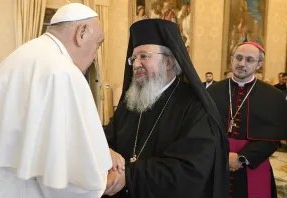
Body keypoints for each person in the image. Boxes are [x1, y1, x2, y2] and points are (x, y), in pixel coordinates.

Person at [0, 3, 114, 198]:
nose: (94, 57)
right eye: (98, 44)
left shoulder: (23, 55)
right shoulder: (62, 71)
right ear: (81, 33)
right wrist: (100, 184)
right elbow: (63, 179)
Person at [103, 19, 229, 198]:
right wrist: (107, 151)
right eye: (133, 58)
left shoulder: (195, 107)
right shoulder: (130, 102)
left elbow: (189, 169)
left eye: (144, 56)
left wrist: (129, 176)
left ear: (169, 63)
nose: (136, 64)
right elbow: (109, 138)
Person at [208, 41, 287, 198]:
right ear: (231, 60)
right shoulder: (212, 91)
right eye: (238, 58)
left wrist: (242, 158)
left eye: (249, 60)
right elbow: (202, 129)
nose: (242, 64)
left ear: (259, 64)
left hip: (253, 163)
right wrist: (222, 155)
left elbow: (273, 139)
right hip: (216, 162)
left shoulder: (273, 96)